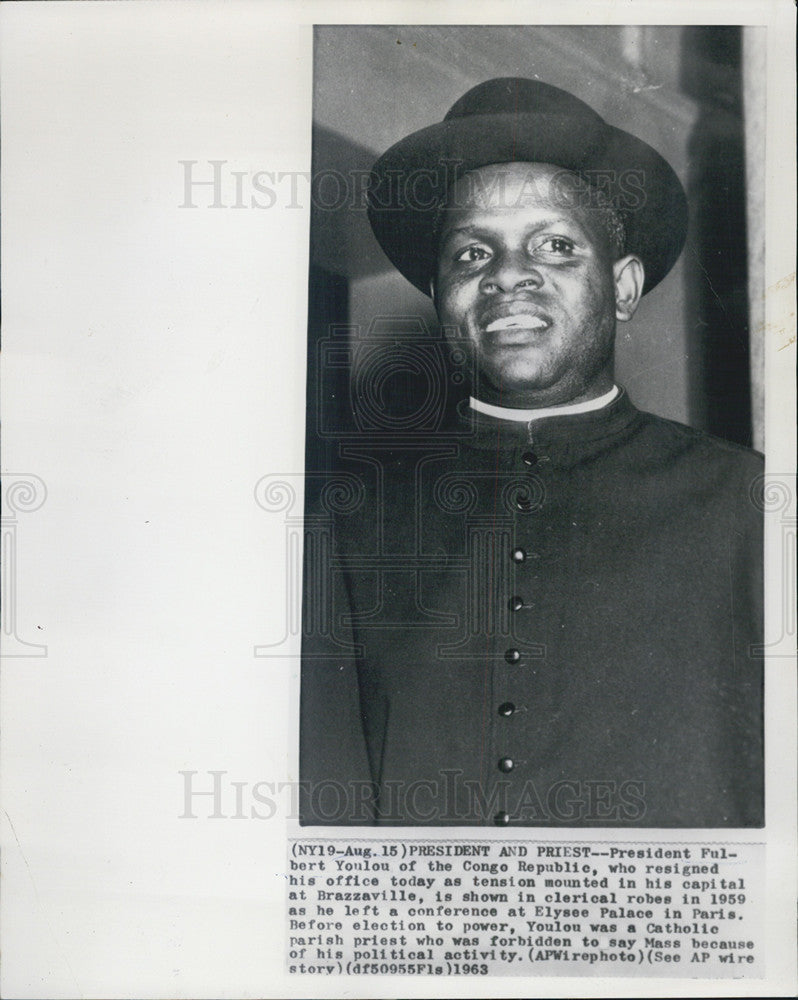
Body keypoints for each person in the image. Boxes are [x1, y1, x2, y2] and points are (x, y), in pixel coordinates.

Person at [299, 78, 763, 828]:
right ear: (441, 294)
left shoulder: (750, 510)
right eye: (473, 251)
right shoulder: (346, 529)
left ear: (622, 286)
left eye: (555, 245)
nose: (508, 274)